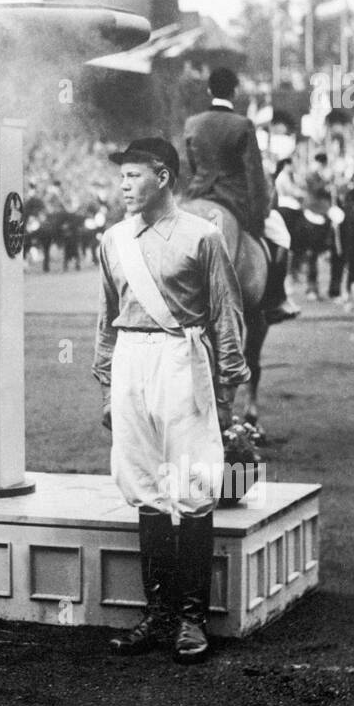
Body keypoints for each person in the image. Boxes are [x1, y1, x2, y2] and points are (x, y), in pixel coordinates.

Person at [95, 138, 250, 664]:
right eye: (121, 177)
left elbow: (226, 309)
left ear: (162, 176)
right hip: (131, 360)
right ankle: (158, 616)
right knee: (144, 484)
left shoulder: (202, 236)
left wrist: (228, 382)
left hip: (182, 358)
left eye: (133, 175)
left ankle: (191, 619)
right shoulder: (113, 240)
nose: (123, 186)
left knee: (191, 482)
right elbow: (107, 314)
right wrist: (106, 384)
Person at [184, 68, 300, 323]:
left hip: (197, 194)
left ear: (209, 90)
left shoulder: (192, 123)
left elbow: (193, 166)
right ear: (235, 91)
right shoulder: (242, 124)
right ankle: (275, 300)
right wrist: (259, 214)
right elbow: (255, 175)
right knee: (282, 235)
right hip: (233, 197)